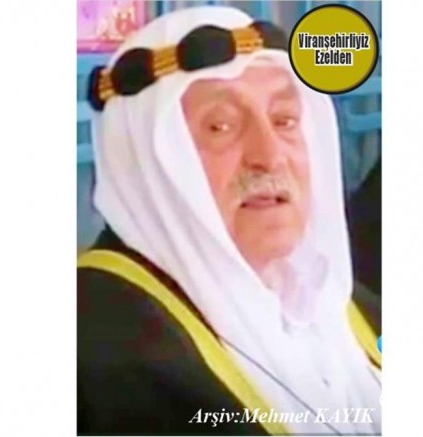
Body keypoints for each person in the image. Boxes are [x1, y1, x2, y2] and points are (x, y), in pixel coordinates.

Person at [78, 6, 381, 435]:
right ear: (146, 162)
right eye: (221, 126)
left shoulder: (342, 304)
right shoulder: (96, 349)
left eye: (285, 121)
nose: (270, 156)